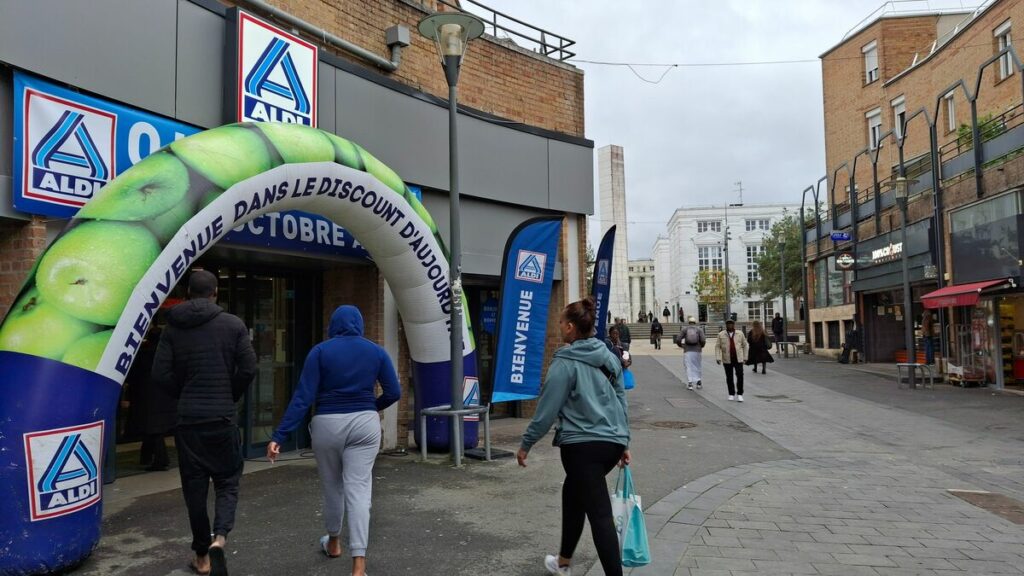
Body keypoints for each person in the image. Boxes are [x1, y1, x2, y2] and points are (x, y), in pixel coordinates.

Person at [267, 305, 400, 576]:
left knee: (332, 486)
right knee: (360, 490)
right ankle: (359, 565)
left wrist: (280, 435)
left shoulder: (320, 352)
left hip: (328, 422)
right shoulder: (375, 351)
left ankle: (335, 543)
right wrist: (372, 406)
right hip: (364, 422)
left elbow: (303, 397)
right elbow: (394, 391)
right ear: (360, 325)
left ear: (333, 325)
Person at [152, 270, 257, 576]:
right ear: (215, 292)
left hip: (189, 422)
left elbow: (159, 375)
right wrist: (230, 393)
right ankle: (220, 539)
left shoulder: (173, 327)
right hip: (222, 418)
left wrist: (183, 393)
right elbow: (248, 368)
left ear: (187, 293)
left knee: (194, 491)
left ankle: (201, 558)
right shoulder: (233, 325)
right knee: (227, 482)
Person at [517, 297, 630, 576]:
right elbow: (620, 401)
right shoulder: (609, 358)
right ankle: (563, 562)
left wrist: (526, 444)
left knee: (600, 516)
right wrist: (623, 440)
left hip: (582, 447)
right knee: (573, 494)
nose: (558, 328)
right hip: (610, 444)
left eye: (560, 324)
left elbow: (546, 410)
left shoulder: (564, 362)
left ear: (569, 327)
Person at [127, 322, 176, 472]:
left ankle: (158, 459)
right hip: (165, 395)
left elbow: (133, 376)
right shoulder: (169, 354)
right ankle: (147, 457)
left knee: (151, 428)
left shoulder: (143, 354)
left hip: (145, 395)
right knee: (154, 428)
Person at [714, 319, 748, 402]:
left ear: (734, 325)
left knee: (740, 375)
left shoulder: (739, 333)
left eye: (731, 324)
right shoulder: (721, 334)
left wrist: (745, 357)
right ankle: (731, 393)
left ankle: (740, 393)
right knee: (729, 377)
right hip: (727, 358)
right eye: (728, 324)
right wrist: (718, 357)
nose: (730, 326)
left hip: (738, 358)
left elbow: (745, 345)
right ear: (726, 325)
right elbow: (717, 346)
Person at [677, 317, 706, 390]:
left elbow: (678, 339)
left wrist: (681, 346)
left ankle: (690, 383)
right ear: (695, 322)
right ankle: (698, 382)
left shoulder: (685, 329)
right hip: (697, 350)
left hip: (687, 350)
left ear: (688, 322)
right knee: (697, 366)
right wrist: (701, 346)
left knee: (688, 366)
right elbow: (703, 340)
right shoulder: (699, 329)